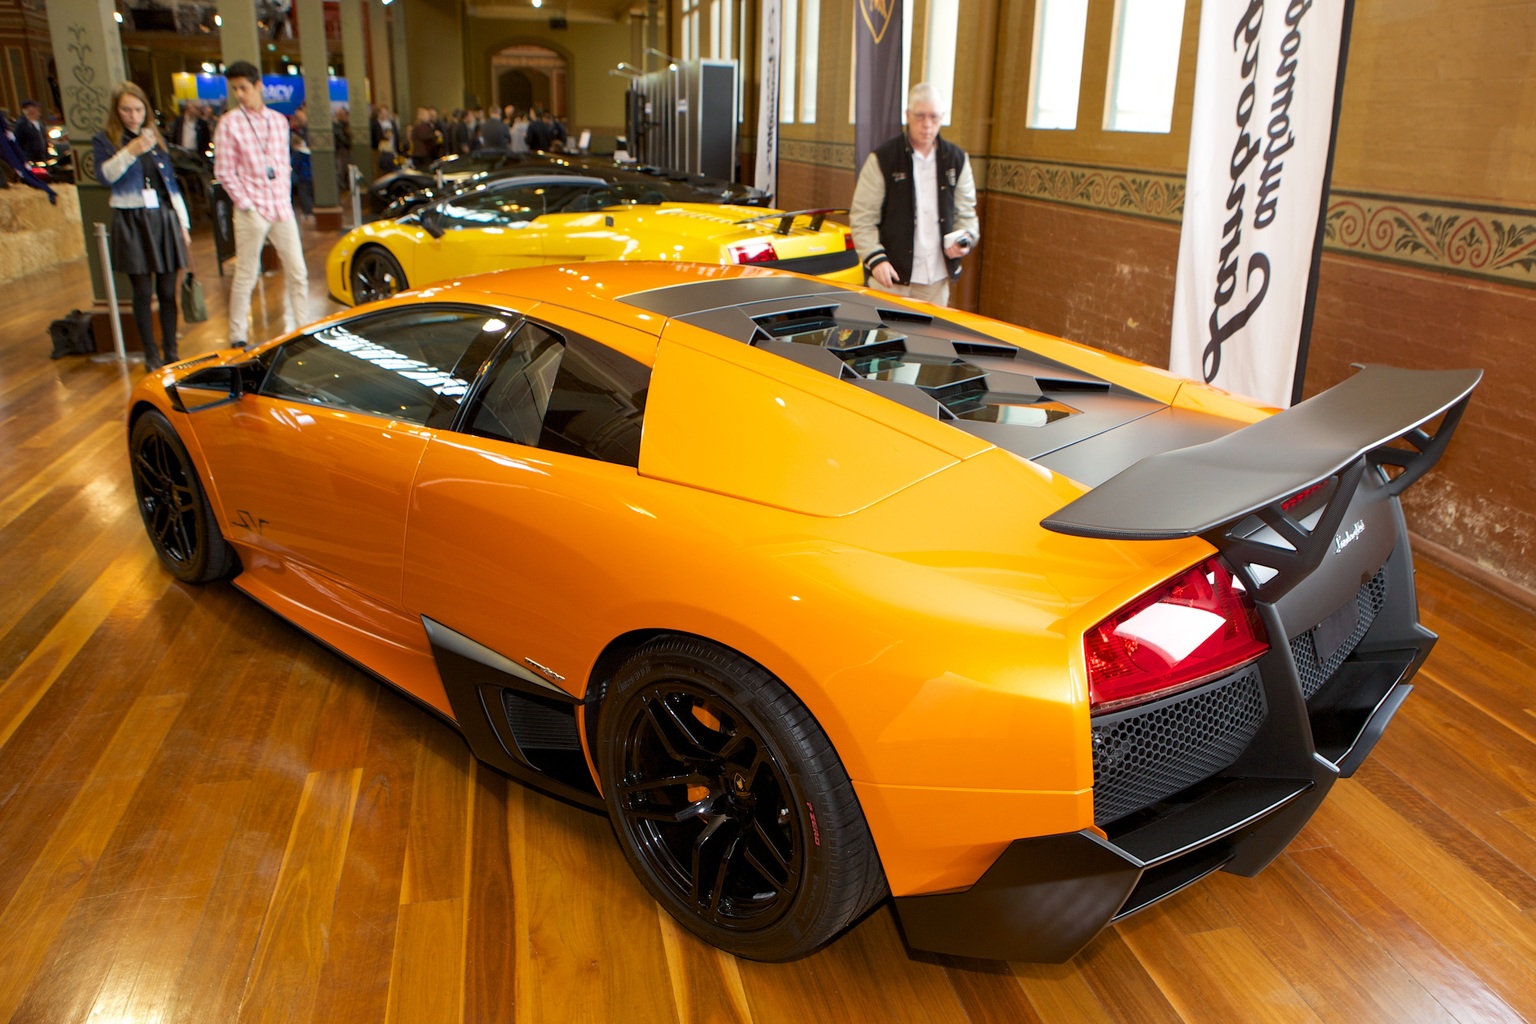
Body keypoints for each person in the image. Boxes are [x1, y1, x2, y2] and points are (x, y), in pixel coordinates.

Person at [849, 83, 978, 308]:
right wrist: (875, 259)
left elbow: (967, 214)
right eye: (920, 116)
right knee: (887, 341)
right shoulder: (883, 159)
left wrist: (963, 240)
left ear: (942, 118)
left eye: (934, 117)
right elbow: (862, 218)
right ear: (907, 115)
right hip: (891, 280)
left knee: (932, 341)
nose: (927, 125)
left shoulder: (957, 160)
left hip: (935, 283)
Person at [92, 82, 192, 370]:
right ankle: (150, 354)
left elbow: (171, 185)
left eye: (138, 109)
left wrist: (183, 225)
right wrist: (130, 151)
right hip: (131, 219)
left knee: (167, 289)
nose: (133, 115)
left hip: (163, 217)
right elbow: (105, 176)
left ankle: (171, 351)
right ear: (116, 110)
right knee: (141, 291)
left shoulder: (155, 139)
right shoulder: (105, 140)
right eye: (126, 109)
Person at [213, 60, 310, 348]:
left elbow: (281, 164)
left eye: (244, 87)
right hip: (251, 209)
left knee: (298, 271)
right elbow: (224, 171)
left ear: (258, 86)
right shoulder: (229, 124)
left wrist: (285, 199)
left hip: (281, 207)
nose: (240, 94)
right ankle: (237, 336)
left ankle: (306, 330)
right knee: (246, 273)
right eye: (235, 89)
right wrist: (246, 207)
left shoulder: (279, 122)